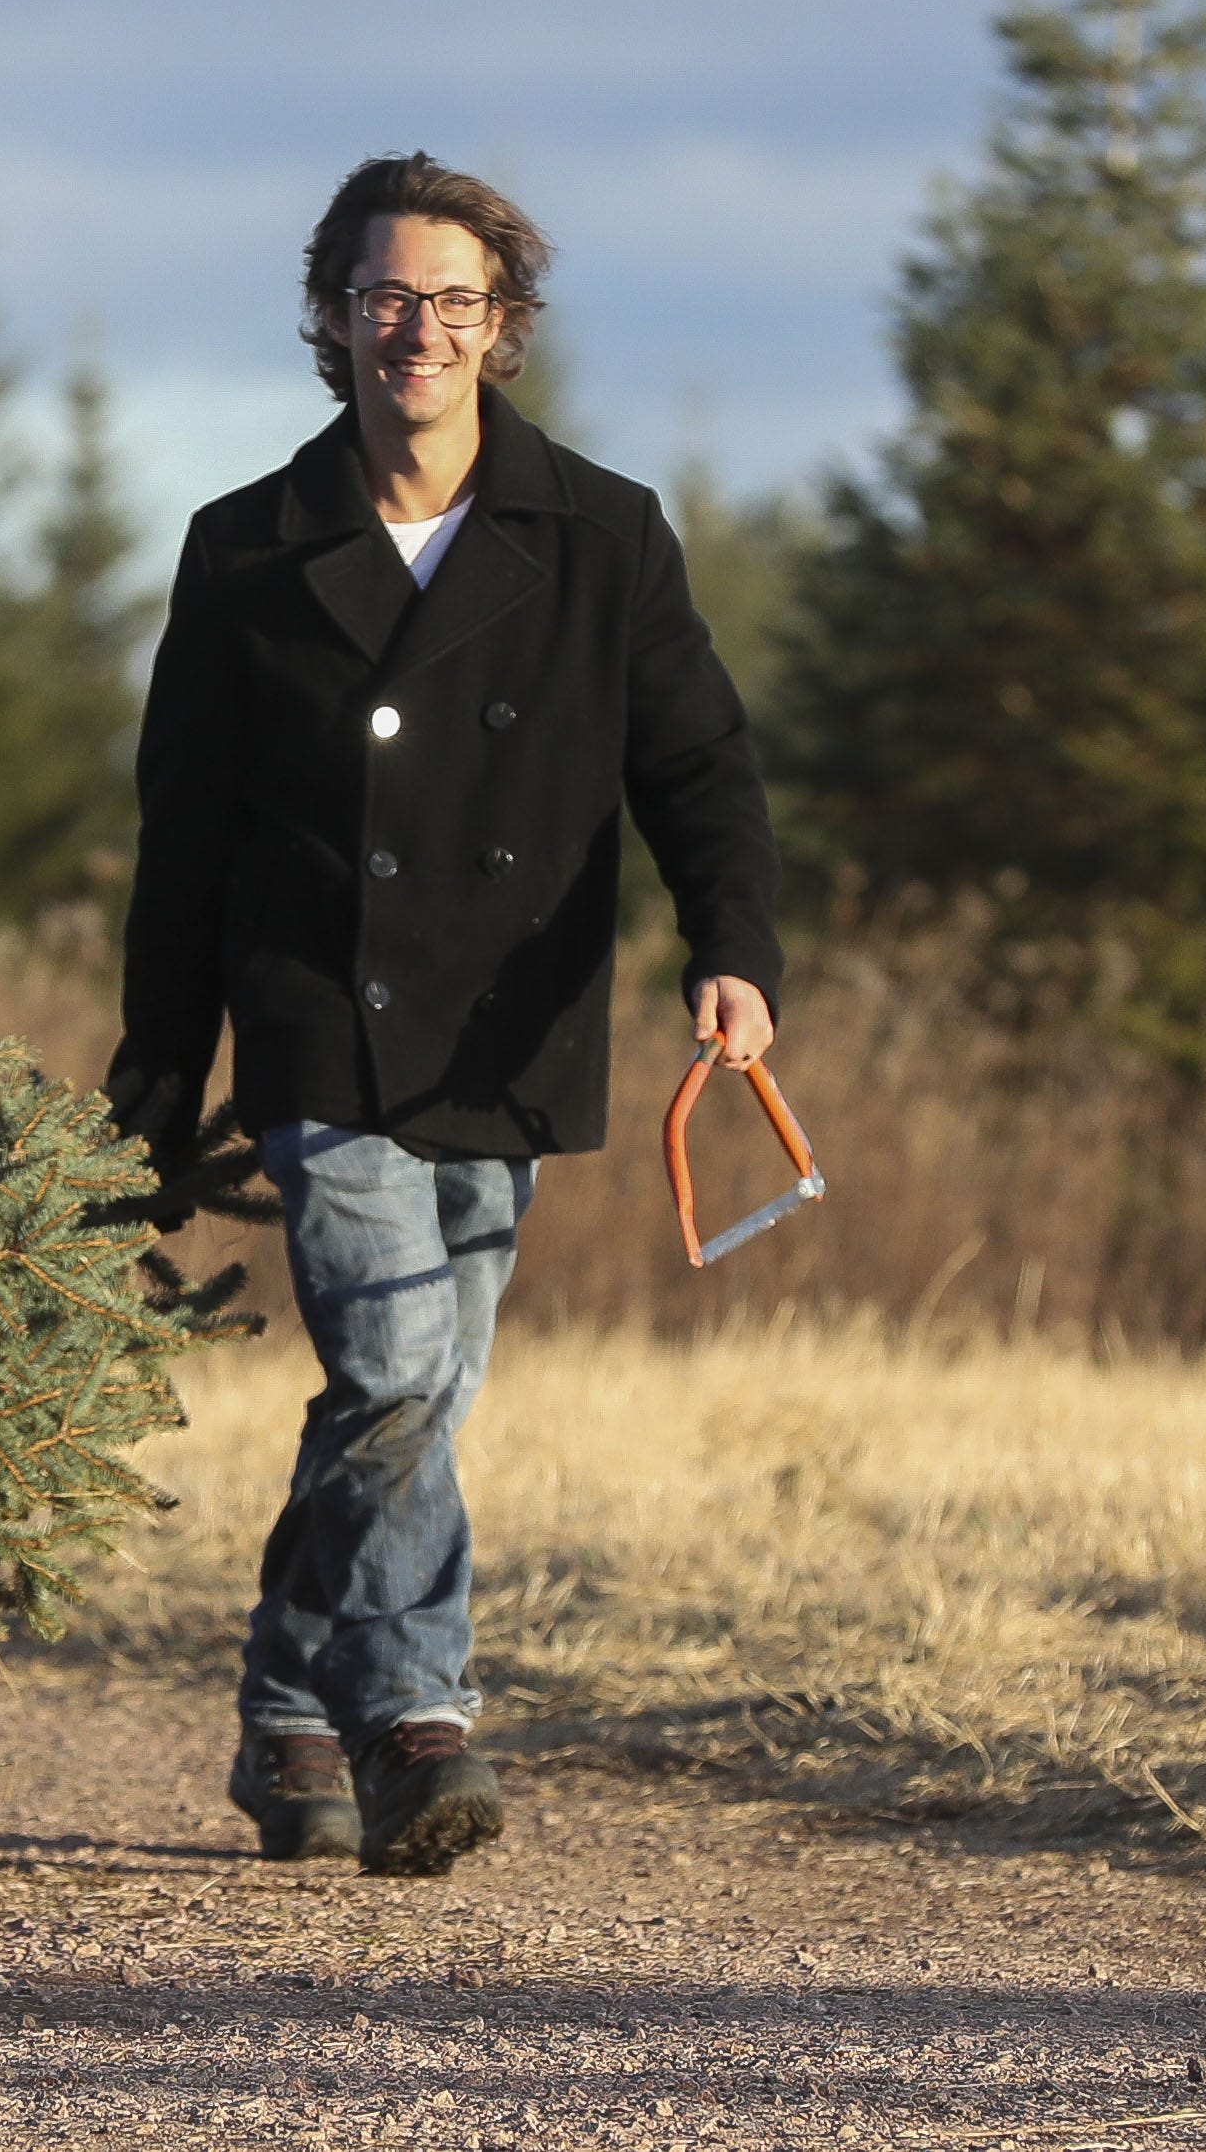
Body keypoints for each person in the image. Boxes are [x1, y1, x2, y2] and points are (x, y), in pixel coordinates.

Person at [106, 157, 780, 1877]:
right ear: (332, 320)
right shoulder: (246, 549)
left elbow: (693, 760)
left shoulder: (601, 534)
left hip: (510, 1014)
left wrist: (734, 947)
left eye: (453, 301)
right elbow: (183, 830)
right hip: (320, 1015)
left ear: (504, 326)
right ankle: (416, 1712)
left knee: (411, 1394)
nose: (418, 329)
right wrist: (163, 1063)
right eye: (385, 297)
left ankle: (280, 1708)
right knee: (397, 1358)